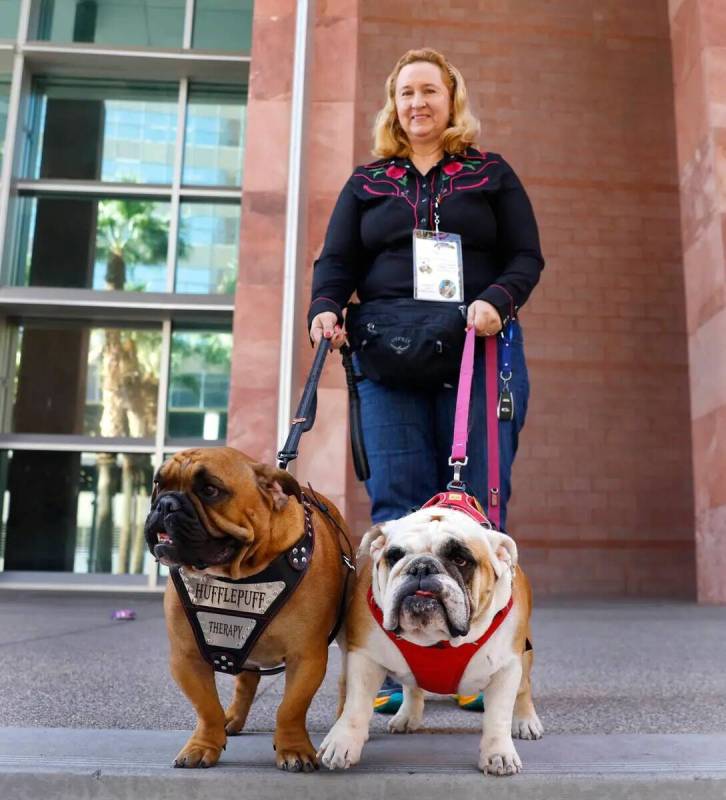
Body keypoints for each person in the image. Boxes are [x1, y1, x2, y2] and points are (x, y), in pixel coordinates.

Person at [307, 48, 544, 713]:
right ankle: (393, 665)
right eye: (407, 92)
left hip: (478, 344)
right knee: (396, 506)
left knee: (480, 511)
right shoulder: (368, 180)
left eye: (430, 92)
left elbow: (528, 254)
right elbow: (336, 262)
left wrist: (498, 296)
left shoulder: (489, 173)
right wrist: (324, 309)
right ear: (393, 103)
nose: (418, 103)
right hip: (388, 358)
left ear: (451, 99)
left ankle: (486, 663)